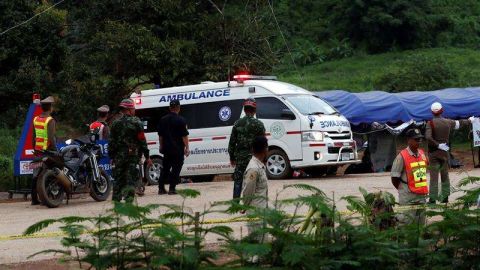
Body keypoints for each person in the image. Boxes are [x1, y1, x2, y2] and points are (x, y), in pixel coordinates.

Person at [425, 102, 473, 203]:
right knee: (445, 175)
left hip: (433, 154)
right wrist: (469, 120)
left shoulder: (430, 123)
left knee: (434, 177)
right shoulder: (448, 122)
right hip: (444, 153)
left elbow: (428, 137)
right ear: (442, 111)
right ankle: (445, 197)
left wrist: (437, 144)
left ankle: (432, 199)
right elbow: (460, 123)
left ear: (432, 112)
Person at [109, 99, 152, 203]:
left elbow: (111, 142)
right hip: (132, 156)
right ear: (129, 109)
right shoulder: (137, 122)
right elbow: (142, 141)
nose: (134, 110)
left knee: (118, 180)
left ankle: (116, 203)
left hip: (119, 157)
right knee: (130, 180)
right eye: (133, 108)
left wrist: (112, 157)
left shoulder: (115, 123)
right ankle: (128, 204)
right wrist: (147, 156)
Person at [228, 97, 266, 199]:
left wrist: (232, 157)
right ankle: (251, 202)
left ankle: (236, 205)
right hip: (254, 159)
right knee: (253, 181)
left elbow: (232, 143)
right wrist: (264, 159)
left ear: (244, 110)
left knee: (238, 181)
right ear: (255, 110)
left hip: (240, 158)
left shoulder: (237, 123)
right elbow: (263, 143)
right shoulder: (259, 124)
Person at [391, 128, 429, 225]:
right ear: (408, 140)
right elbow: (394, 177)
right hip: (407, 196)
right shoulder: (401, 156)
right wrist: (403, 189)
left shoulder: (422, 153)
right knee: (405, 222)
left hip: (421, 194)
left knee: (420, 223)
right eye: (416, 139)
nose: (419, 141)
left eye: (420, 139)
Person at [241, 136, 269, 263]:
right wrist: (245, 206)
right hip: (255, 210)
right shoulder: (253, 168)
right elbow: (248, 191)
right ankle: (252, 263)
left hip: (262, 208)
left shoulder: (259, 165)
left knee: (262, 240)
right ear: (265, 149)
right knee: (257, 240)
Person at [157, 99, 189, 195]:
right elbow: (184, 136)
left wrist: (161, 146)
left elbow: (161, 136)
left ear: (170, 108)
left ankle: (161, 188)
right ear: (179, 108)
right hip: (178, 149)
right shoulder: (181, 120)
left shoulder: (163, 120)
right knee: (176, 168)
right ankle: (172, 188)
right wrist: (187, 148)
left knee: (165, 168)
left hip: (167, 149)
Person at [31, 96, 57, 205]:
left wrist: (35, 148)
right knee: (50, 172)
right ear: (50, 108)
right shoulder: (50, 120)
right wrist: (55, 150)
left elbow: (33, 136)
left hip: (37, 150)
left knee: (35, 174)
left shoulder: (35, 119)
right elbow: (51, 138)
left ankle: (34, 199)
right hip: (47, 150)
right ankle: (48, 196)